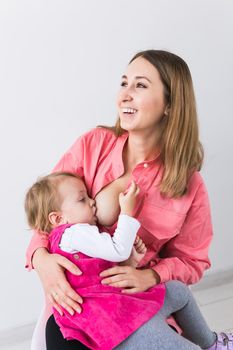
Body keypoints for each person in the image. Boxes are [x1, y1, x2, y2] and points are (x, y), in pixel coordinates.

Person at [25, 49, 230, 349]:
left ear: (170, 105)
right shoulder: (93, 144)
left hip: (142, 303)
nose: (125, 95)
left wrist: (150, 275)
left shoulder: (189, 185)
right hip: (80, 307)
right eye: (124, 83)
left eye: (140, 85)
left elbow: (192, 261)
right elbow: (47, 212)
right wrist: (41, 260)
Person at [25, 172, 233, 350]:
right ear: (58, 219)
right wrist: (127, 211)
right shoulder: (74, 233)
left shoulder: (72, 240)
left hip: (121, 305)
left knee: (178, 291)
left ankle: (211, 343)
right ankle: (209, 343)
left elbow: (99, 275)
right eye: (82, 200)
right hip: (117, 324)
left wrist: (130, 263)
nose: (92, 202)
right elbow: (117, 249)